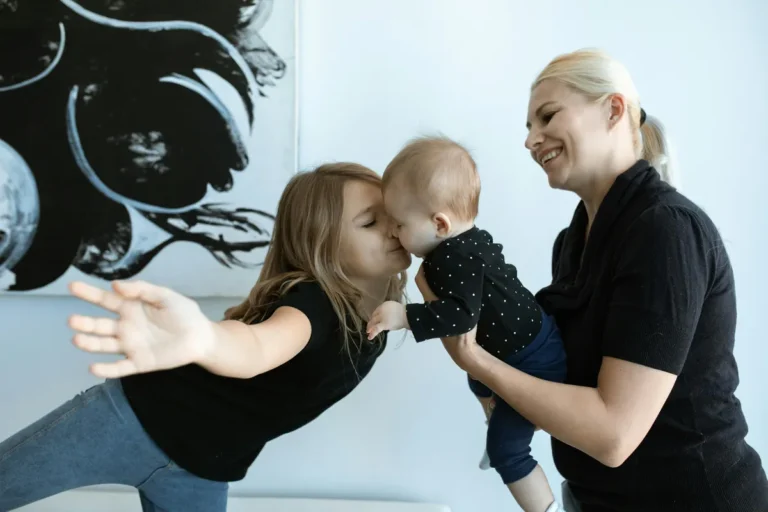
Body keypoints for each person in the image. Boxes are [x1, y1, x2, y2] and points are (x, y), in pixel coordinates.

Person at [416, 48, 768, 512]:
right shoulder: (573, 242)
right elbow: (566, 383)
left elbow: (613, 435)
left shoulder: (665, 229)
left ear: (613, 110)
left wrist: (478, 363)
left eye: (546, 117)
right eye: (527, 128)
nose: (530, 140)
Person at [0, 163, 411, 512]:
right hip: (126, 421)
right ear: (321, 245)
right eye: (371, 222)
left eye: (394, 216)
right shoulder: (315, 306)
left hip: (202, 468)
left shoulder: (386, 315)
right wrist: (204, 339)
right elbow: (255, 347)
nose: (393, 230)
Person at [366, 136, 566, 512]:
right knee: (476, 377)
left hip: (534, 361)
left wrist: (404, 316)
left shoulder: (449, 259)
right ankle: (496, 416)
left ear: (439, 223)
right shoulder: (467, 243)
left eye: (398, 224)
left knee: (507, 450)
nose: (392, 232)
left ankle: (543, 505)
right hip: (528, 345)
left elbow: (461, 317)